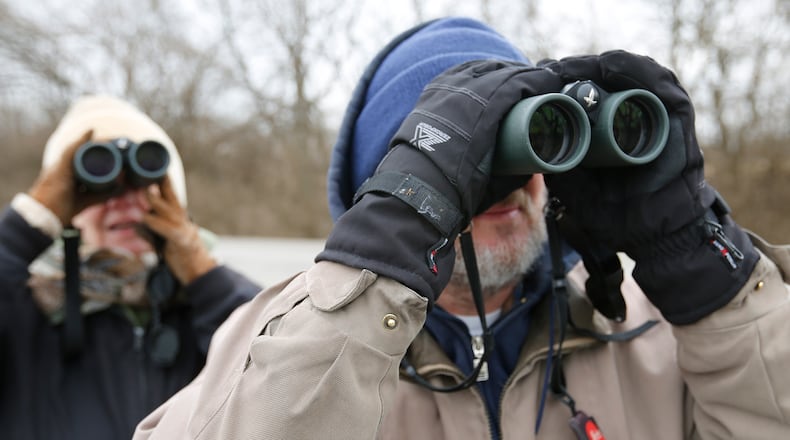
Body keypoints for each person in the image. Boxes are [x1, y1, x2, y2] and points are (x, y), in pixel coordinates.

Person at [134, 17, 790, 440]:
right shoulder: (280, 337)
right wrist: (379, 261)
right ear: (384, 190)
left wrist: (708, 273)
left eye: (533, 146)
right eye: (455, 165)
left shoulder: (662, 333)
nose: (505, 181)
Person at [0, 95, 261, 440]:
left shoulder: (204, 306)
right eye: (95, 183)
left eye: (141, 182)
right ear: (65, 206)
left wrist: (203, 275)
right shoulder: (25, 309)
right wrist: (26, 227)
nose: (121, 201)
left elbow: (284, 369)